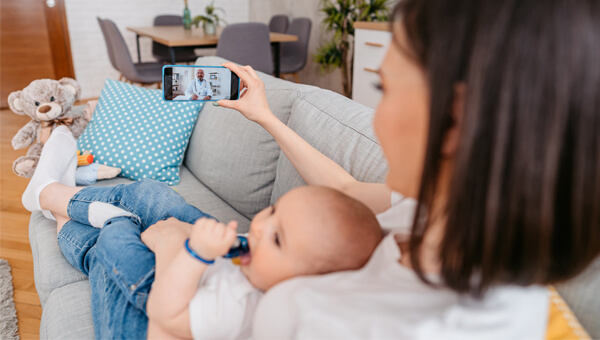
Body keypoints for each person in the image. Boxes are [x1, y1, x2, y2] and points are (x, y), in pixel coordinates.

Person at [214, 0, 600, 337]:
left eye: (383, 88)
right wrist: (266, 117)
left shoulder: (397, 326)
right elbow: (348, 191)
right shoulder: (444, 210)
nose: (375, 116)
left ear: (452, 120)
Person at [21, 127, 383, 339]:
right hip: (189, 278)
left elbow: (166, 309)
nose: (258, 227)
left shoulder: (240, 308)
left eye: (276, 238)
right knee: (153, 195)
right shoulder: (258, 267)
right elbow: (348, 194)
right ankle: (55, 195)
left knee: (114, 237)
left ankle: (58, 200)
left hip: (152, 313)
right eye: (271, 213)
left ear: (303, 283)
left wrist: (189, 253)